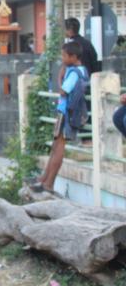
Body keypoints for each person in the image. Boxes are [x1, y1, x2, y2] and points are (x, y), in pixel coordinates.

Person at [31, 42, 89, 194]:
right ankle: (44, 179)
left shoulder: (74, 73)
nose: (62, 59)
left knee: (58, 149)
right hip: (66, 113)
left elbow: (63, 91)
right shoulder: (82, 70)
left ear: (73, 57)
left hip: (66, 114)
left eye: (64, 56)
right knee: (55, 147)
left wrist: (59, 77)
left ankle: (49, 183)